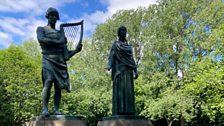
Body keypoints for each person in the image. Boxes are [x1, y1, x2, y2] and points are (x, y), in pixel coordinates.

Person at [36, 7, 82, 116]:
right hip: (48, 59)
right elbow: (41, 39)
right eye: (51, 15)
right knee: (48, 81)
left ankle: (56, 110)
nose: (53, 17)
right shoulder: (41, 29)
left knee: (58, 86)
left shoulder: (61, 34)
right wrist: (59, 42)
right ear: (47, 16)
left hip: (60, 62)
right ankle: (45, 109)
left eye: (55, 15)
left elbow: (66, 55)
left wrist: (76, 50)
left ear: (57, 18)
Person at [107, 26, 139, 115]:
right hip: (120, 70)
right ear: (119, 32)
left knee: (128, 91)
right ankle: (120, 111)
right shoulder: (116, 44)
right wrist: (109, 66)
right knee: (120, 91)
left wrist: (135, 70)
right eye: (122, 30)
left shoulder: (128, 46)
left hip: (129, 71)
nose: (123, 32)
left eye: (125, 30)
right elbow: (111, 55)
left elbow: (131, 59)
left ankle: (129, 111)